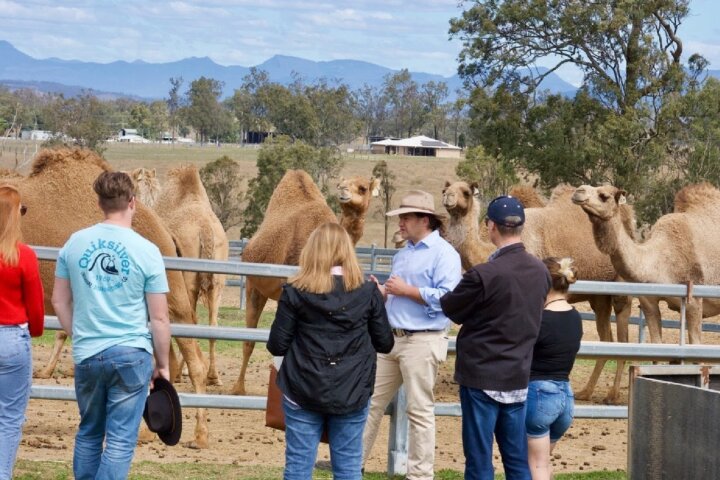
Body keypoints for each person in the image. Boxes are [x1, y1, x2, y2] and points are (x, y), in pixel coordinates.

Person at [52, 171, 171, 480]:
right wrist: (163, 365)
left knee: (89, 432)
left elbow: (59, 301)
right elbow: (159, 318)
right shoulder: (148, 251)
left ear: (99, 203)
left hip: (89, 354)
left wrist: (80, 336)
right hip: (132, 354)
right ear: (133, 202)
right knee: (119, 440)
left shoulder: (74, 244)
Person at [267, 222, 394, 480]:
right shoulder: (368, 292)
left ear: (311, 252)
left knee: (298, 468)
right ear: (347, 251)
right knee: (348, 468)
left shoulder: (295, 292)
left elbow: (277, 344)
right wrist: (379, 302)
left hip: (302, 388)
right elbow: (385, 343)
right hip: (352, 390)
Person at [440, 195, 551, 480]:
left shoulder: (483, 275)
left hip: (481, 377)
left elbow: (452, 309)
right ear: (521, 227)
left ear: (490, 226)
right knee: (516, 459)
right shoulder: (541, 272)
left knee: (479, 460)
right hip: (517, 377)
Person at [362, 190, 461, 480]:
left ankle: (420, 475)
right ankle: (351, 464)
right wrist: (383, 294)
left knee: (419, 410)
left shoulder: (445, 255)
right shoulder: (404, 254)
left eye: (406, 218)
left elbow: (448, 297)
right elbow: (399, 294)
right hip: (391, 340)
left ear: (424, 220)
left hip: (423, 339)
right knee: (367, 402)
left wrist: (408, 291)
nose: (401, 223)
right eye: (401, 218)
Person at [0, 185, 44, 480]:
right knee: (9, 418)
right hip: (12, 340)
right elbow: (36, 307)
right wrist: (37, 331)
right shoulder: (23, 256)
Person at [526, 257, 583, 480]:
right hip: (565, 398)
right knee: (544, 463)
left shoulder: (540, 319)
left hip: (539, 395)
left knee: (535, 466)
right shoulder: (576, 317)